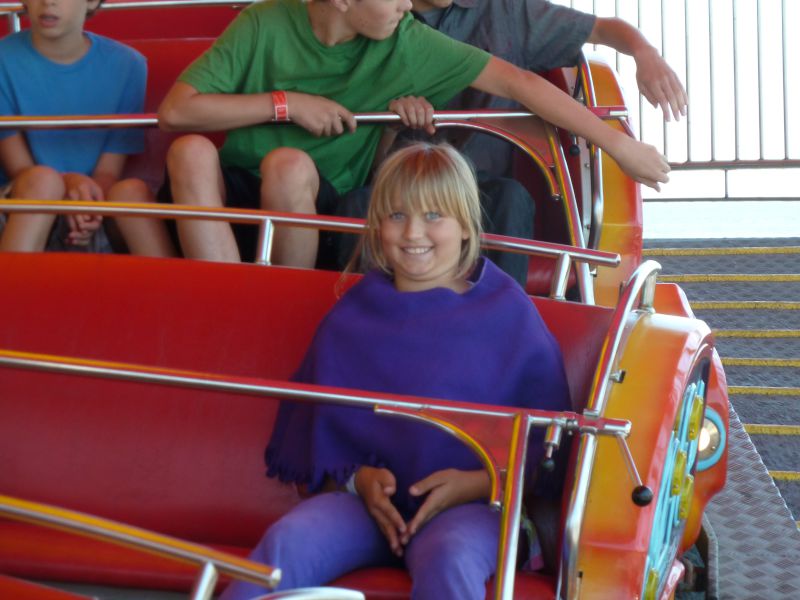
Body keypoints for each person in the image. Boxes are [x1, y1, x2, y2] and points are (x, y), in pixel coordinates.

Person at [220, 142, 572, 600]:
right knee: (289, 542)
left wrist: (475, 483)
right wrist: (359, 480)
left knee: (450, 559)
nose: (413, 232)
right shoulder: (353, 315)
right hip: (365, 508)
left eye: (434, 216)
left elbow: (549, 446)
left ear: (467, 226)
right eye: (397, 215)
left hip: (475, 506)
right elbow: (319, 434)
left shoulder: (509, 314)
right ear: (377, 227)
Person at [155, 0, 669, 268]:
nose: (408, 7)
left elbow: (519, 82)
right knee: (189, 151)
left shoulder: (405, 39)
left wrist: (618, 145)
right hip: (238, 191)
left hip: (315, 196)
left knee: (287, 164)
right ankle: (220, 293)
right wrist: (287, 105)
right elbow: (175, 112)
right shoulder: (263, 22)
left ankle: (278, 299)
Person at [340, 0, 690, 284]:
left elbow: (589, 35)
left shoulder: (506, 12)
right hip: (401, 181)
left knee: (512, 200)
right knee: (355, 204)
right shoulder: (377, 21)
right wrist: (391, 119)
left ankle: (506, 323)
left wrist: (644, 53)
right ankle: (355, 319)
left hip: (477, 185)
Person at [0, 0, 174, 257]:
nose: (48, 2)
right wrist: (69, 183)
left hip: (94, 200)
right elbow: (19, 169)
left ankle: (172, 281)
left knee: (132, 191)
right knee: (43, 181)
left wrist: (84, 201)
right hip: (23, 203)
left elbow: (109, 172)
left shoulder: (128, 64)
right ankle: (11, 280)